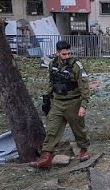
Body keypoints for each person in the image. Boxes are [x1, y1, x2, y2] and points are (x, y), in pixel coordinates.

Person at [30, 40, 91, 170]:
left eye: (69, 53)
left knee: (78, 129)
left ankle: (84, 150)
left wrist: (83, 105)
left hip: (73, 102)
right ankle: (46, 158)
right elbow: (51, 82)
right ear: (58, 53)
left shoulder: (77, 66)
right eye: (64, 54)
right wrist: (48, 100)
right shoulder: (53, 64)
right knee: (52, 129)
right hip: (57, 103)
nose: (67, 56)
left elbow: (84, 87)